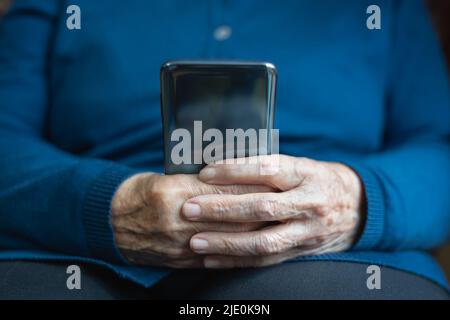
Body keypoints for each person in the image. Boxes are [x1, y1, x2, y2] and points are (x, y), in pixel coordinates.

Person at [0, 0, 449, 299]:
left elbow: (439, 150)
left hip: (332, 258)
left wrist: (353, 201)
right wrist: (107, 206)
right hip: (74, 252)